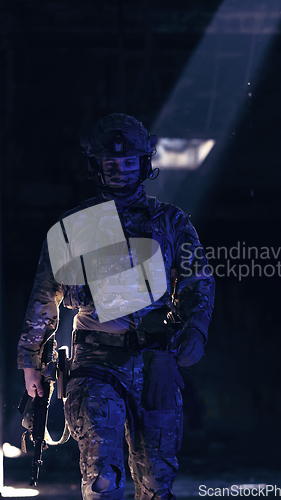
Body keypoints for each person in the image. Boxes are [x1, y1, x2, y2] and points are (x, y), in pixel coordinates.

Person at [18, 113, 215, 500]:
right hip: (95, 360)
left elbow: (197, 282)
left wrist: (196, 329)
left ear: (144, 164)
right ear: (97, 166)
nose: (121, 171)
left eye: (129, 162)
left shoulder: (170, 222)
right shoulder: (76, 225)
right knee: (103, 479)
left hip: (155, 360)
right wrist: (31, 363)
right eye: (112, 163)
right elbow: (46, 295)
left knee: (157, 484)